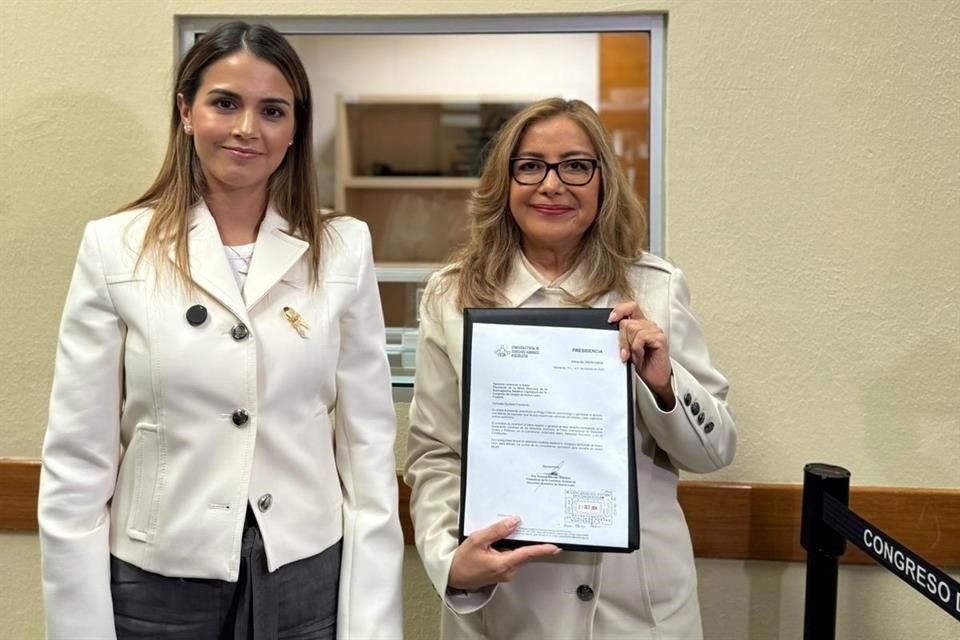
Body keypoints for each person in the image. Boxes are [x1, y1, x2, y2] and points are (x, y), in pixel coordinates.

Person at [38, 21, 403, 640]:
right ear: (186, 111)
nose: (246, 129)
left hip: (303, 570)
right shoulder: (116, 246)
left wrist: (371, 623)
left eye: (272, 110)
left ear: (294, 129)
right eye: (225, 102)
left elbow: (368, 448)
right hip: (158, 578)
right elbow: (79, 455)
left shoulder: (342, 248)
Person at [404, 97, 736, 640]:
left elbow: (715, 451)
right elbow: (434, 452)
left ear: (602, 180)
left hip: (634, 610)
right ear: (504, 183)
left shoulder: (655, 287)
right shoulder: (452, 296)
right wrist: (450, 559)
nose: (552, 185)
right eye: (530, 166)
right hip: (507, 604)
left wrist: (663, 383)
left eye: (575, 165)